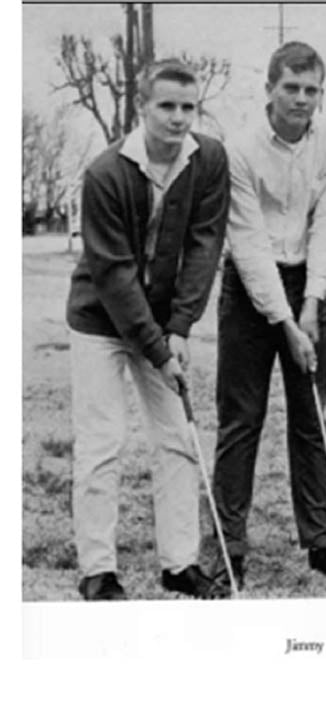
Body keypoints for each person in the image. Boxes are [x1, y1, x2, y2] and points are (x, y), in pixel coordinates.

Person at [67, 59, 231, 600]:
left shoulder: (208, 160)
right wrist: (161, 350)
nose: (179, 118)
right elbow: (113, 276)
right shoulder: (106, 172)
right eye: (166, 106)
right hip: (101, 320)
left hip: (163, 324)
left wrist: (181, 326)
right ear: (143, 108)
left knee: (178, 439)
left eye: (188, 107)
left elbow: (205, 246)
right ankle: (98, 569)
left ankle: (179, 563)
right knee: (102, 443)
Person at [211, 41, 326, 588]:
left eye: (311, 90)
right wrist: (287, 323)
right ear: (269, 89)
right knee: (241, 420)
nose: (301, 99)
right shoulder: (240, 149)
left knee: (310, 419)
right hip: (249, 289)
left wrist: (312, 305)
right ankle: (230, 550)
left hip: (308, 286)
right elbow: (247, 245)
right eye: (290, 88)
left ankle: (319, 542)